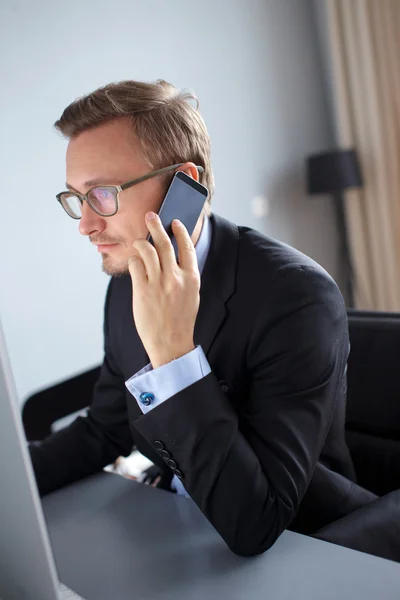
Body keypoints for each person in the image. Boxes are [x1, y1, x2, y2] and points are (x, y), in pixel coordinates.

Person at [30, 79, 400, 561]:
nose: (86, 223)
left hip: (310, 547)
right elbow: (106, 428)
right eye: (77, 197)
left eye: (102, 194)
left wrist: (172, 356)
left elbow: (258, 522)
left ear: (186, 182)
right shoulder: (127, 283)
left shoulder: (297, 297)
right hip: (182, 529)